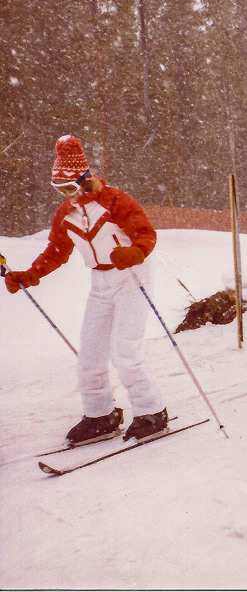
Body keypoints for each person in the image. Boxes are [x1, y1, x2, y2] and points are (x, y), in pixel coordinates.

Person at [3, 135, 168, 442]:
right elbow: (56, 251)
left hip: (132, 276)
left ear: (84, 181)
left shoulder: (115, 200)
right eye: (59, 190)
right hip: (100, 282)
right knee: (90, 354)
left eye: (68, 188)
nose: (66, 196)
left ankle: (151, 411)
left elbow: (145, 233)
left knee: (125, 349)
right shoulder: (66, 214)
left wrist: (136, 252)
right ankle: (100, 414)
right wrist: (30, 274)